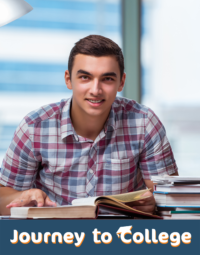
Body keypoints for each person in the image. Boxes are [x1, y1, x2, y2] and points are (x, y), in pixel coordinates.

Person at [0, 35, 178, 216]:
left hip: (123, 236)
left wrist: (154, 203)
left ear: (121, 82)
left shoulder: (144, 123)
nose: (95, 90)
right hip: (54, 236)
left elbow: (171, 197)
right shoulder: (34, 128)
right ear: (68, 79)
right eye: (85, 77)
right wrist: (24, 196)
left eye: (107, 79)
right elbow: (2, 199)